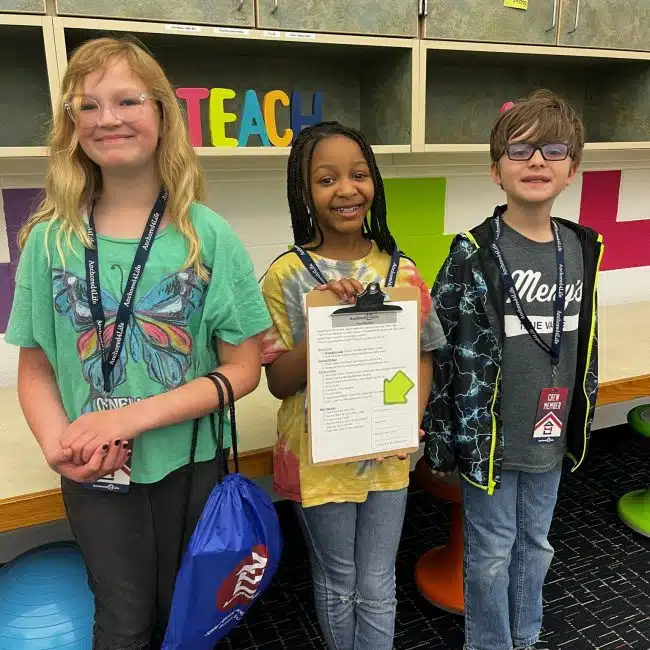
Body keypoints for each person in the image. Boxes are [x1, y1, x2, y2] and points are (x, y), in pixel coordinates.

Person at [5, 37, 271, 649]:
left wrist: (129, 417)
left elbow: (244, 369)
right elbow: (36, 366)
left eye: (127, 100)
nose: (108, 118)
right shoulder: (49, 240)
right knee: (123, 623)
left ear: (162, 113)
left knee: (191, 614)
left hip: (191, 464)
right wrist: (57, 446)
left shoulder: (207, 236)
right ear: (71, 125)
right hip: (92, 469)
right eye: (88, 105)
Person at [423, 89, 604, 650]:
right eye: (520, 150)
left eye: (554, 150)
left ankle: (524, 639)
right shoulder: (472, 252)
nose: (537, 161)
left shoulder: (582, 246)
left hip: (551, 430)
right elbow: (442, 350)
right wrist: (439, 436)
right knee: (491, 554)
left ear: (573, 168)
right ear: (495, 169)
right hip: (491, 439)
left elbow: (585, 341)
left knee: (537, 546)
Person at [261, 121, 446, 650]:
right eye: (326, 179)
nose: (346, 189)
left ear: (374, 183)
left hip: (386, 453)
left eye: (359, 175)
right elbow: (278, 381)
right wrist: (325, 322)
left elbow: (423, 354)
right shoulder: (286, 275)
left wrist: (411, 420)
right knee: (339, 580)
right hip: (318, 459)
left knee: (378, 580)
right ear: (304, 191)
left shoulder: (401, 272)